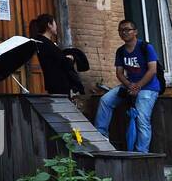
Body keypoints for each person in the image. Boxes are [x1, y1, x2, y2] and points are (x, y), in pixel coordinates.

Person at [94, 19, 161, 151]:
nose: (124, 32)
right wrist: (130, 85)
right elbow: (119, 73)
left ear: (135, 32)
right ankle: (101, 137)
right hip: (129, 85)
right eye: (121, 30)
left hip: (148, 87)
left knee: (142, 118)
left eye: (127, 29)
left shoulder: (146, 47)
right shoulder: (120, 51)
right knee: (105, 100)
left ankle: (141, 153)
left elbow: (152, 70)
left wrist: (138, 86)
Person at [27, 14, 84, 95]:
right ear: (49, 25)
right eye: (54, 23)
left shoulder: (44, 43)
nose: (56, 26)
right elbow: (64, 63)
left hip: (56, 85)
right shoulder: (45, 43)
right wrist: (70, 58)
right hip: (59, 86)